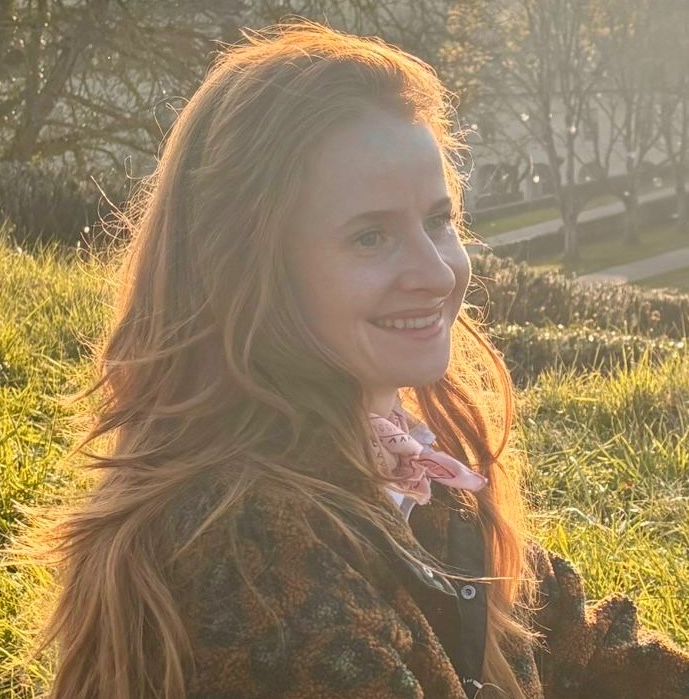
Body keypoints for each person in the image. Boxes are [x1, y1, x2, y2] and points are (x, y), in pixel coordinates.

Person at [41, 21, 689, 699]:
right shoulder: (253, 559)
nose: (436, 274)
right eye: (370, 236)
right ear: (246, 270)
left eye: (438, 221)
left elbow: (568, 638)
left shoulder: (402, 464)